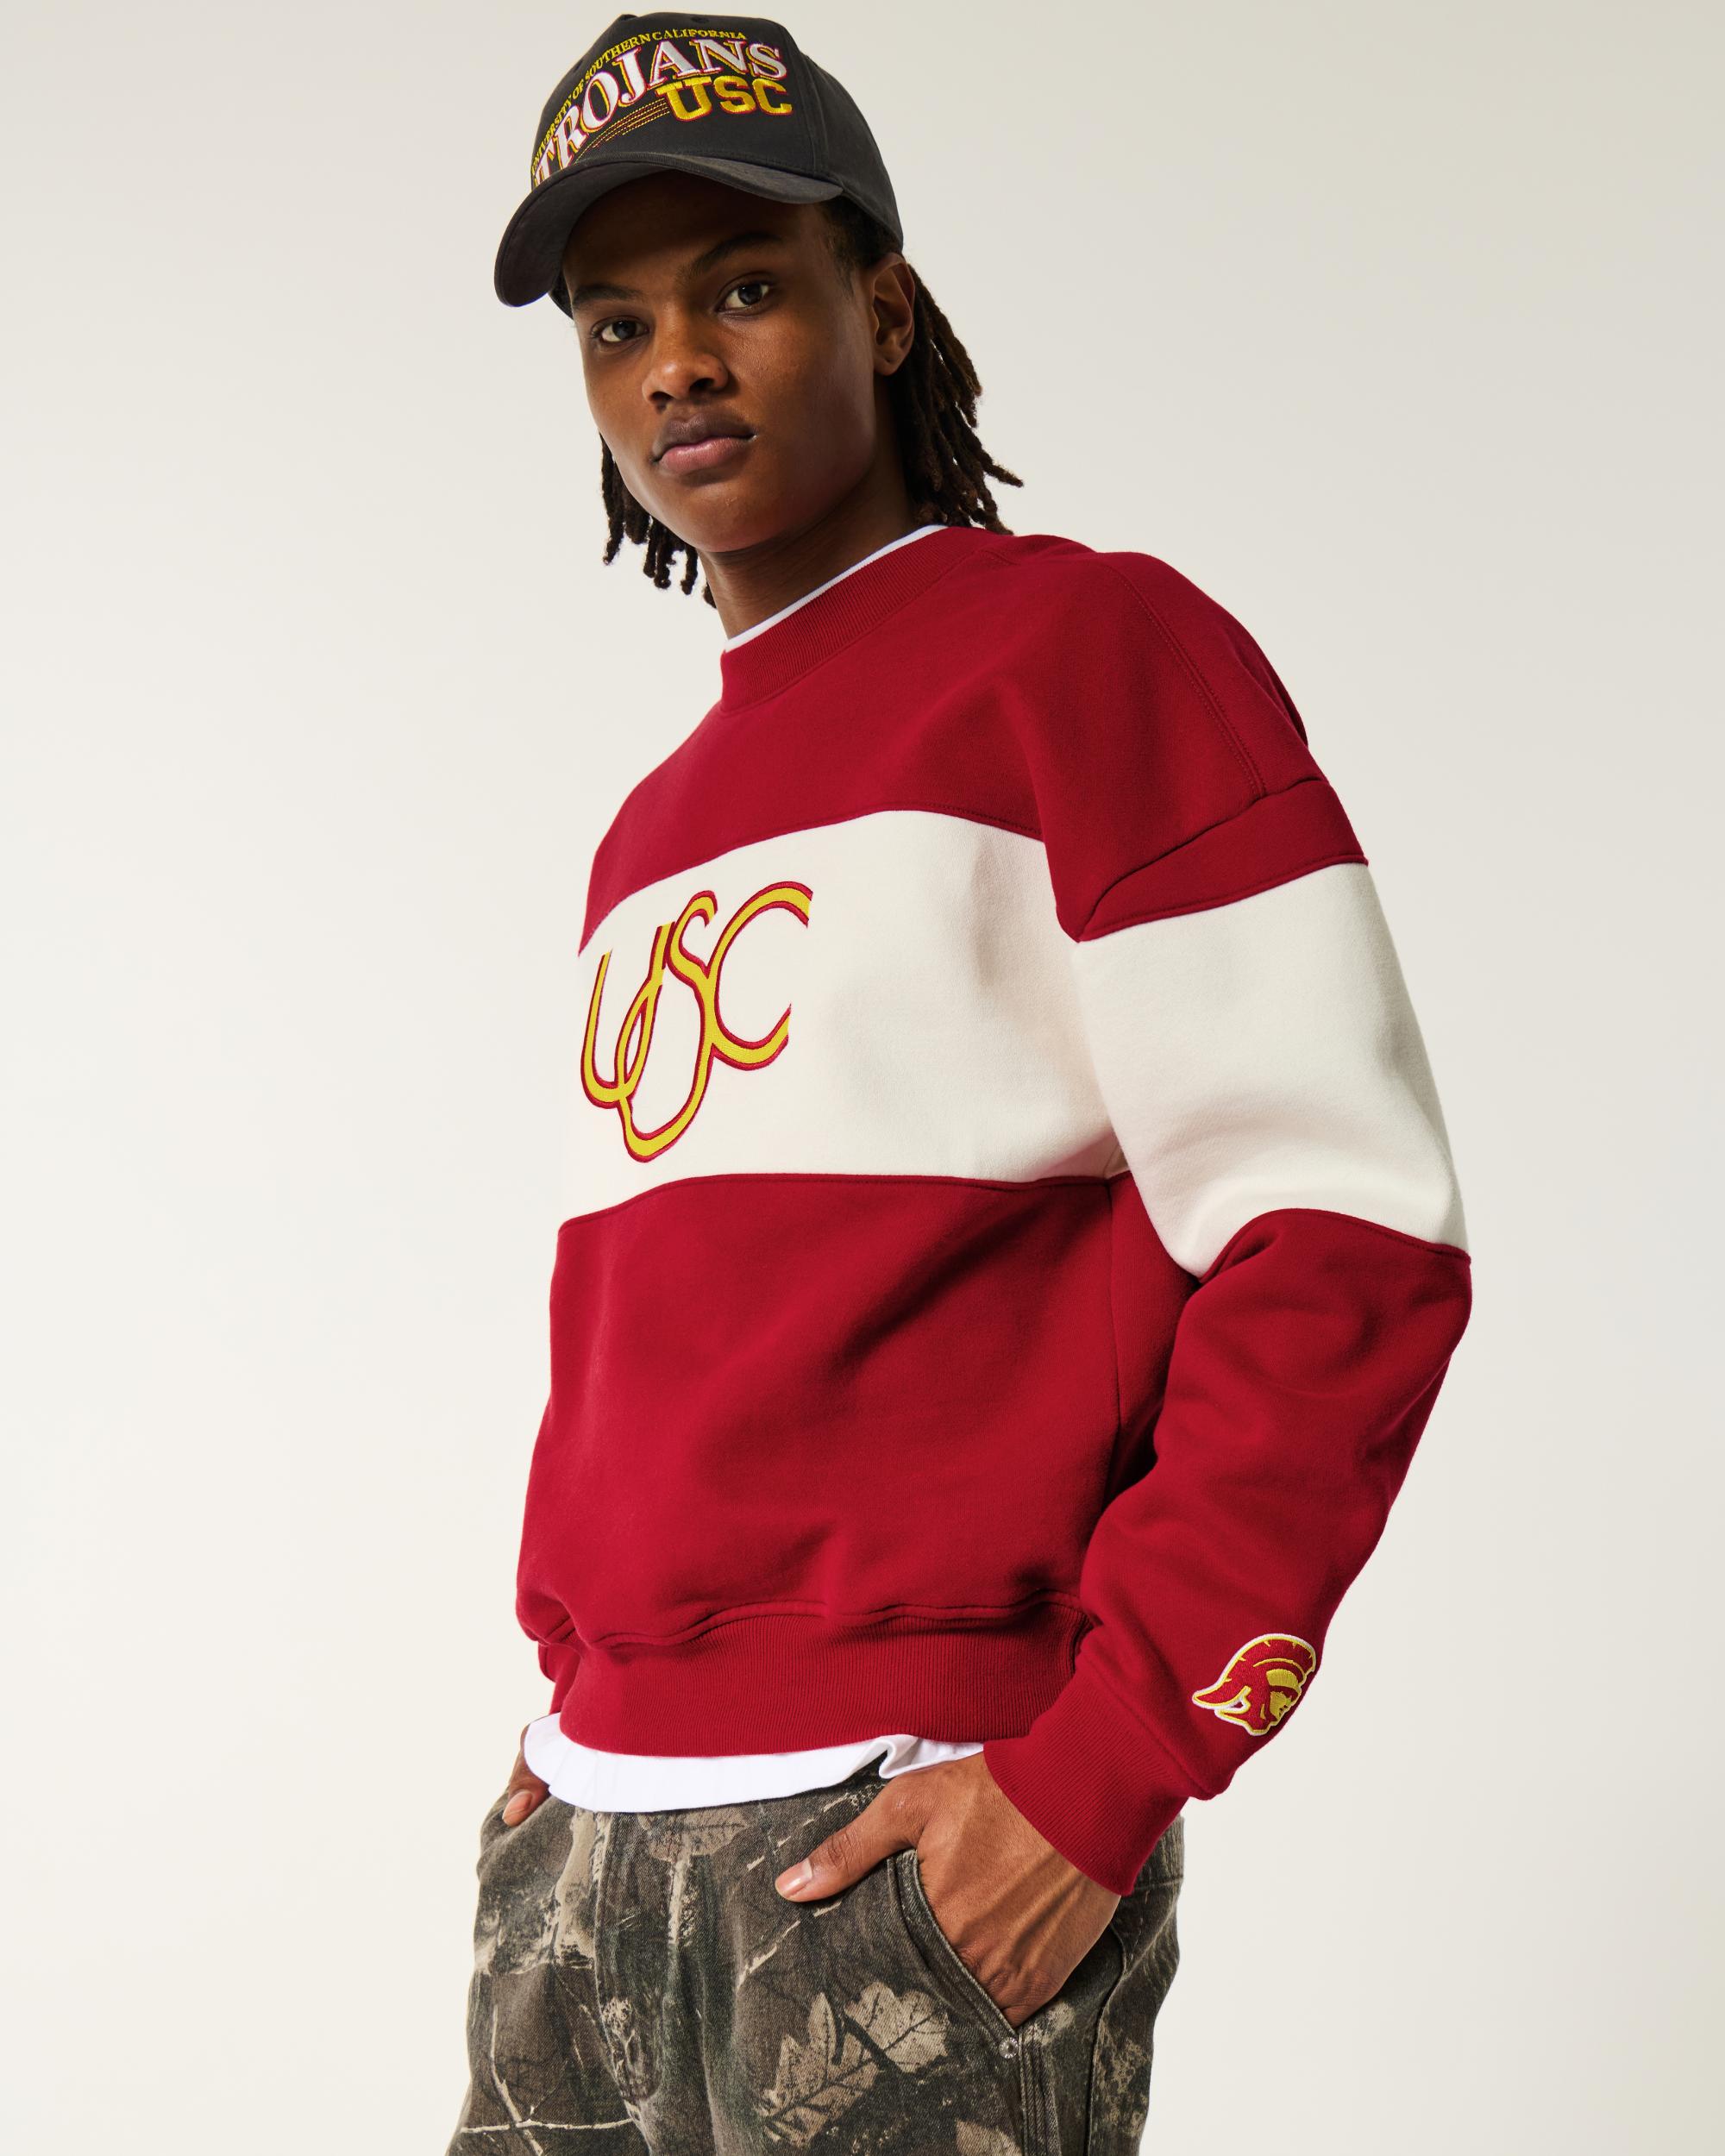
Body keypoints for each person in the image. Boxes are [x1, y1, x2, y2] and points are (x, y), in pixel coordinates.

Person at [446, 15, 1473, 2153]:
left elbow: (1345, 1235)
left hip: (902, 1832)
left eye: (743, 287)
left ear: (885, 311)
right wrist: (565, 1709)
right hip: (585, 1850)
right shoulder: (649, 829)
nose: (676, 365)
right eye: (615, 325)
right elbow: (657, 1331)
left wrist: (1105, 1769)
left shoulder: (1088, 657)